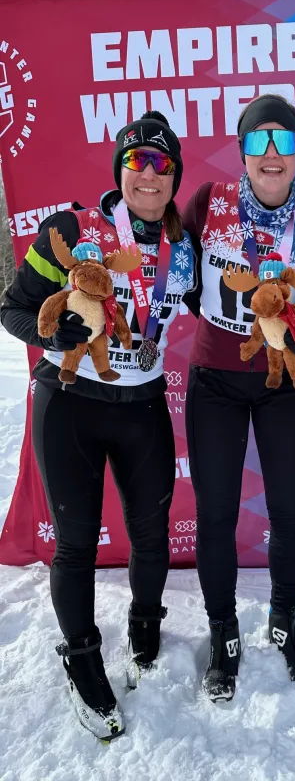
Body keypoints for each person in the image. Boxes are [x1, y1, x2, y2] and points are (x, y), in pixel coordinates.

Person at [0, 111, 194, 739]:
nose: (149, 174)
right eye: (137, 161)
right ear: (120, 169)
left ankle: (144, 626)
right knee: (78, 544)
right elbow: (14, 308)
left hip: (142, 405)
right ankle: (82, 661)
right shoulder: (71, 229)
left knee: (150, 534)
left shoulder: (182, 247)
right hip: (71, 401)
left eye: (163, 165)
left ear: (174, 179)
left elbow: (237, 299)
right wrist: (51, 329)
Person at [182, 93, 295, 701]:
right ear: (242, 151)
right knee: (218, 512)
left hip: (282, 386)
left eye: (282, 142)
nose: (270, 154)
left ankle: (283, 619)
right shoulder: (209, 202)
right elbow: (174, 263)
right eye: (257, 141)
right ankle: (224, 631)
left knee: (288, 508)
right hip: (215, 381)